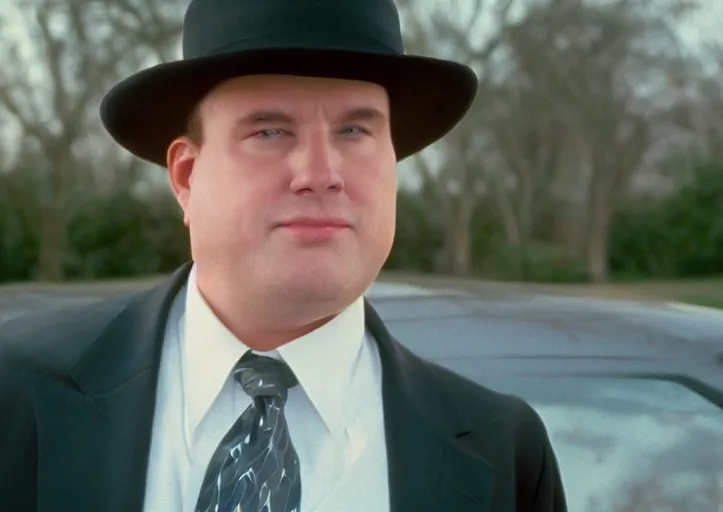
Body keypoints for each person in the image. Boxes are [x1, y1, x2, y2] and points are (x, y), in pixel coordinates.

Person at [0, 0, 567, 510]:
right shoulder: (17, 398)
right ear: (187, 177)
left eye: (354, 130)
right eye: (270, 131)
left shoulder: (504, 454)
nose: (320, 175)